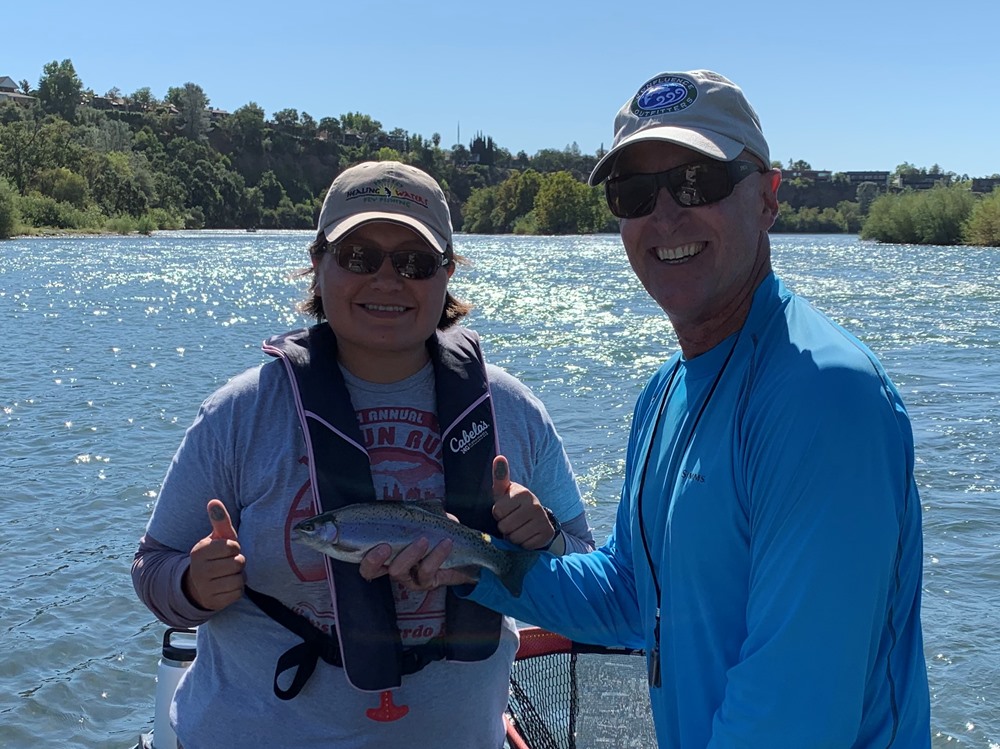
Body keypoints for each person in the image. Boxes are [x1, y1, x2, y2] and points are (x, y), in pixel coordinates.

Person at [364, 71, 931, 747]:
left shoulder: (823, 395)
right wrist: (477, 562)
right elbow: (628, 596)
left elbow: (788, 716)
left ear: (769, 197)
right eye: (634, 192)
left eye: (699, 182)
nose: (666, 215)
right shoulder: (664, 395)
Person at [131, 160, 595, 749]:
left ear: (446, 276)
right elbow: (153, 569)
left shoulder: (512, 409)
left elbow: (585, 570)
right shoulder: (238, 413)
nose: (386, 279)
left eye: (415, 263)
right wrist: (196, 586)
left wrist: (542, 541)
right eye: (358, 257)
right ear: (317, 265)